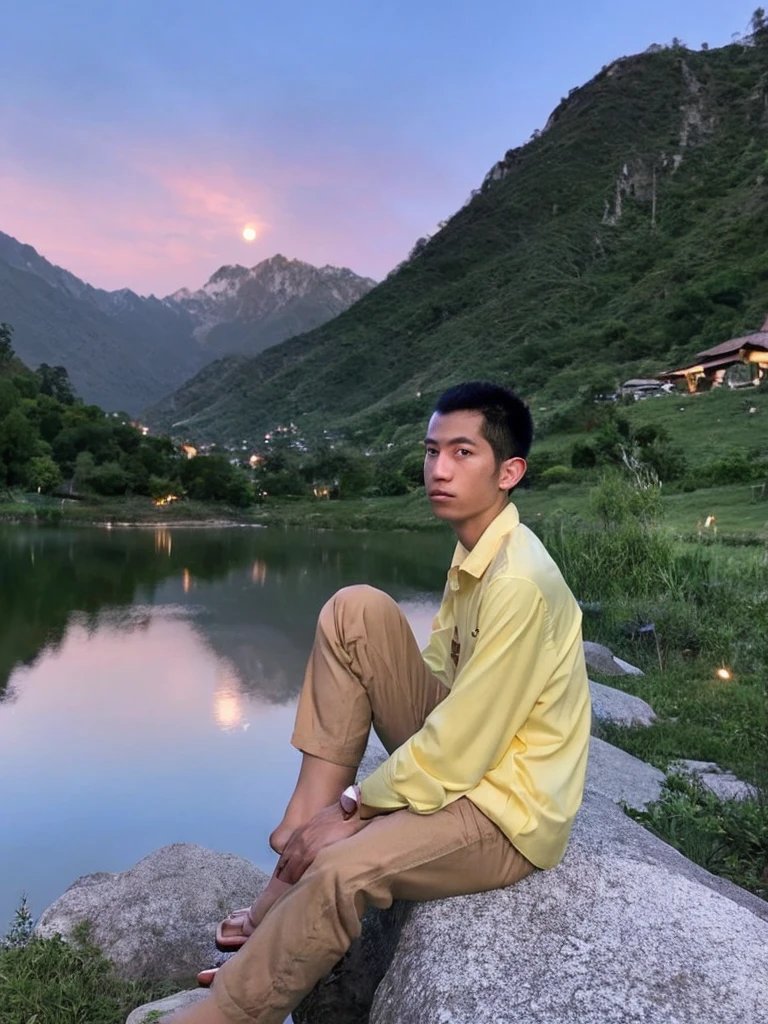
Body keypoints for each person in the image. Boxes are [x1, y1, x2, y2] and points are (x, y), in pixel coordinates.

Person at [172, 381, 591, 1024]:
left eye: (462, 453)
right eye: (431, 452)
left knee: (342, 868)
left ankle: (227, 1010)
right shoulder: (475, 551)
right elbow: (443, 683)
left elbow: (463, 746)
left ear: (509, 472)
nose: (439, 470)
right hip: (468, 752)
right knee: (355, 611)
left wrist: (357, 809)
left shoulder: (519, 583)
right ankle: (301, 827)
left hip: (505, 804)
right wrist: (341, 806)